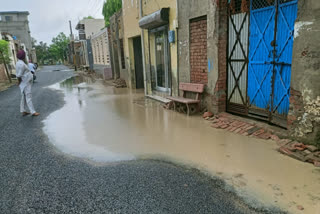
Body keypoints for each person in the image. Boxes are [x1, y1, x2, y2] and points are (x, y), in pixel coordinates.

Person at [16, 50, 40, 116]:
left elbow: (19, 74)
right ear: (23, 56)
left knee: (24, 97)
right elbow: (19, 75)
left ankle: (23, 110)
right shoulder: (22, 65)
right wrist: (19, 81)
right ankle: (33, 112)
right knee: (28, 97)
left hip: (25, 82)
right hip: (25, 83)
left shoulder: (18, 63)